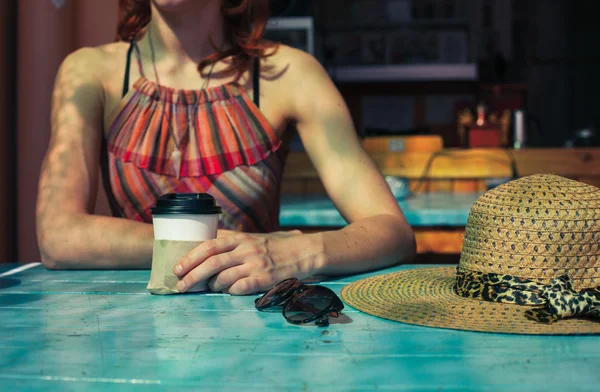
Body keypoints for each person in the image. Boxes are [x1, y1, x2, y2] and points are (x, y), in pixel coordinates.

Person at [36, 0, 416, 295]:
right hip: (130, 324)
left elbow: (391, 232)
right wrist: (222, 245)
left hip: (256, 322)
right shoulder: (90, 72)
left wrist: (295, 253)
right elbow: (58, 235)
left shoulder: (290, 74)